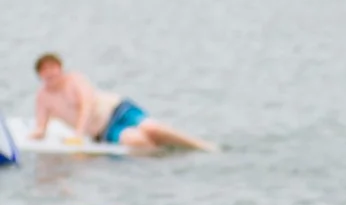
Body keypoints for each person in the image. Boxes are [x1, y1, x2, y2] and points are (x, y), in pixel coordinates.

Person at [30, 54, 213, 152]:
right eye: (45, 70)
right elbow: (41, 126)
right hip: (103, 130)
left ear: (60, 68)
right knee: (136, 140)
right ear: (40, 75)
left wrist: (78, 134)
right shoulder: (43, 97)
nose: (50, 73)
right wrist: (35, 135)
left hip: (117, 109)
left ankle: (202, 147)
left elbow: (86, 106)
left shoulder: (75, 80)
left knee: (152, 129)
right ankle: (169, 160)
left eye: (52, 68)